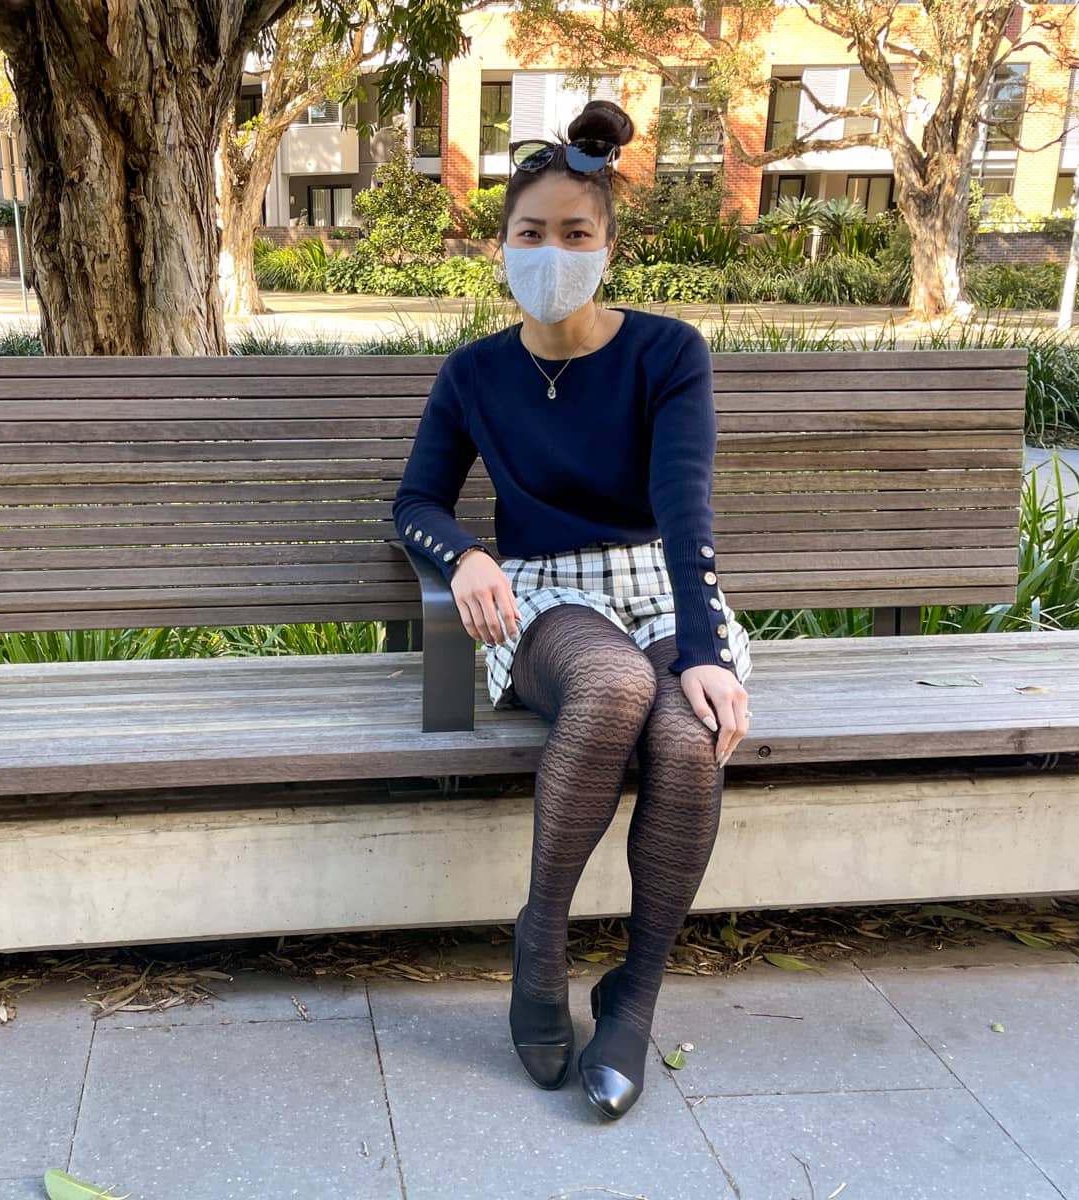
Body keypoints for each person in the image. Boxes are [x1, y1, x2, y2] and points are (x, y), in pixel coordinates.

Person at [391, 98, 754, 1121]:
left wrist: (707, 647)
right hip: (550, 594)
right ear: (500, 243)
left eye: (575, 233)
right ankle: (540, 944)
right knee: (610, 688)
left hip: (665, 585)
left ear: (608, 245)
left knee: (687, 734)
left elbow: (687, 511)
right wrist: (462, 552)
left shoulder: (667, 353)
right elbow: (412, 499)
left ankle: (632, 994)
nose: (552, 252)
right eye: (531, 233)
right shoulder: (473, 373)